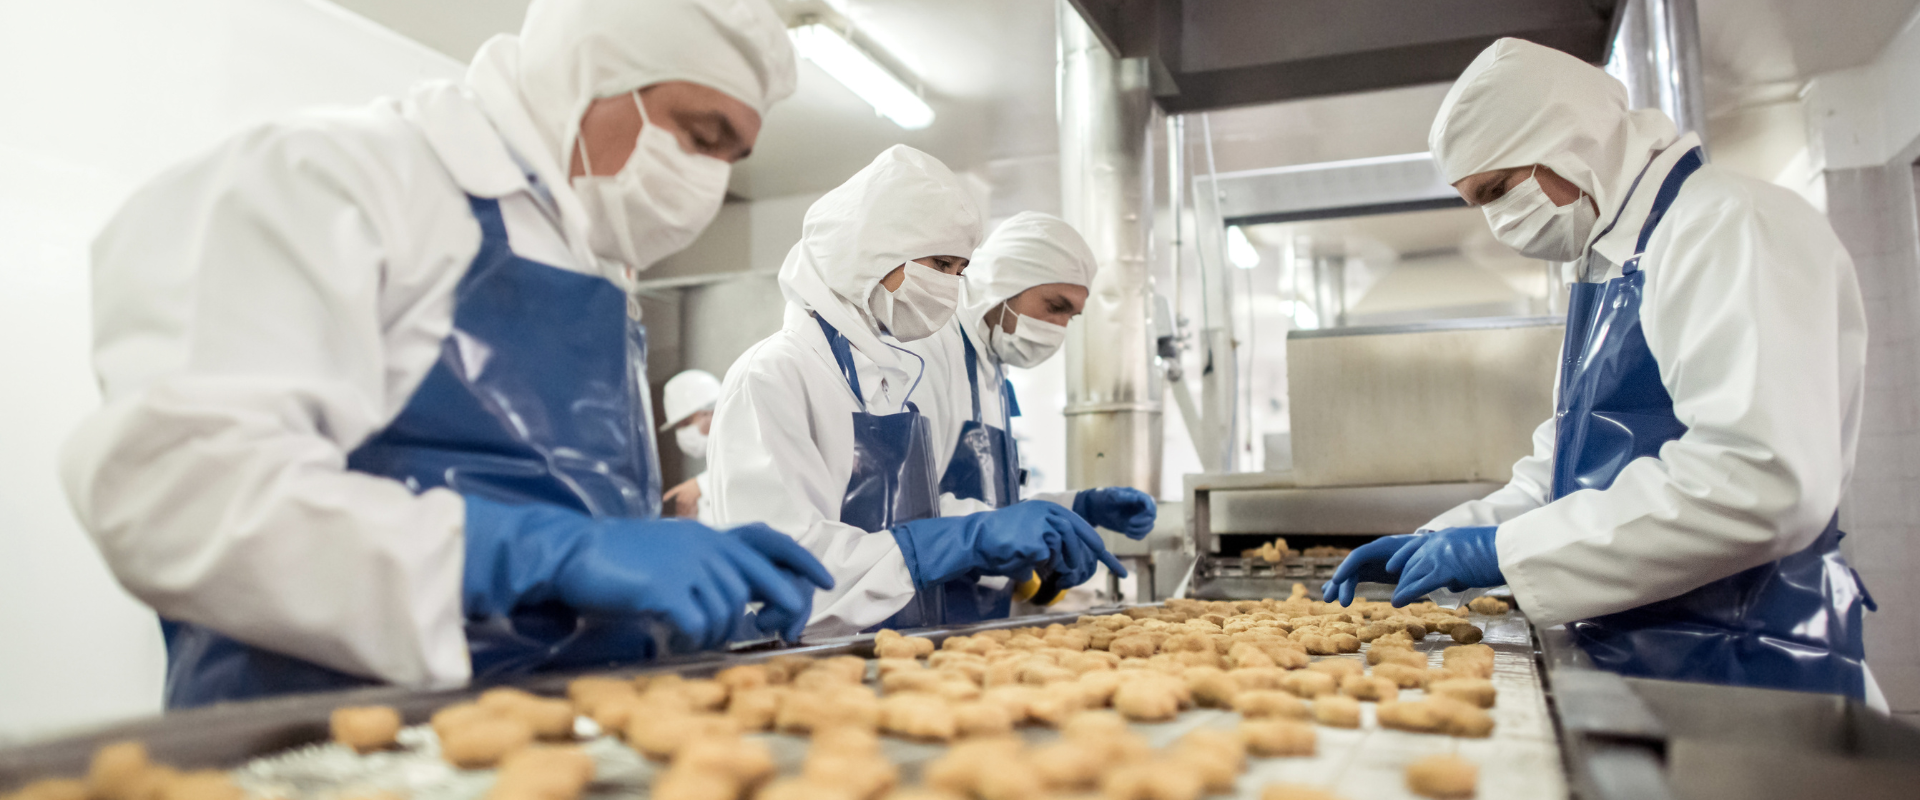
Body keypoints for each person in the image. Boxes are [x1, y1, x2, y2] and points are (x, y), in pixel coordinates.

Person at [58, 0, 832, 709]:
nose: (709, 178)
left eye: (733, 156)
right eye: (700, 136)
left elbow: (567, 503)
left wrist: (668, 558)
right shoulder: (340, 180)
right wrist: (535, 551)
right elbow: (174, 491)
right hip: (324, 746)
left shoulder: (593, 266)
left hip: (566, 734)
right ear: (595, 76)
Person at [1323, 38, 1876, 702]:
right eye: (1477, 203)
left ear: (1566, 142)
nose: (1498, 221)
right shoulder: (1613, 267)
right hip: (1647, 654)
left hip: (1753, 665)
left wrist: (1501, 553)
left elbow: (1758, 480)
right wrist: (1441, 540)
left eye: (1497, 190)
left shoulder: (1728, 226)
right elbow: (1568, 472)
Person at [707, 146, 1126, 637]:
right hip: (799, 668)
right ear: (870, 251)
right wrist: (956, 541)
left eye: (959, 272)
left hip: (886, 651)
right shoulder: (775, 374)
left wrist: (1005, 530)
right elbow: (781, 578)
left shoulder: (886, 381)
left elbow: (912, 522)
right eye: (940, 264)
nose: (950, 288)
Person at [903, 211, 1158, 615]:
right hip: (918, 611)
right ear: (1004, 284)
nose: (1058, 327)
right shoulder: (925, 352)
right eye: (1054, 306)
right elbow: (903, 514)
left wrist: (1078, 506)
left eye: (1070, 317)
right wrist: (999, 535)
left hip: (979, 615)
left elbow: (992, 507)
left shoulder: (993, 368)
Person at [660, 369, 721, 521]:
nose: (682, 432)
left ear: (711, 413)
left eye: (686, 423)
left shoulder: (754, 440)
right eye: (679, 426)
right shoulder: (714, 466)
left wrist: (702, 485)